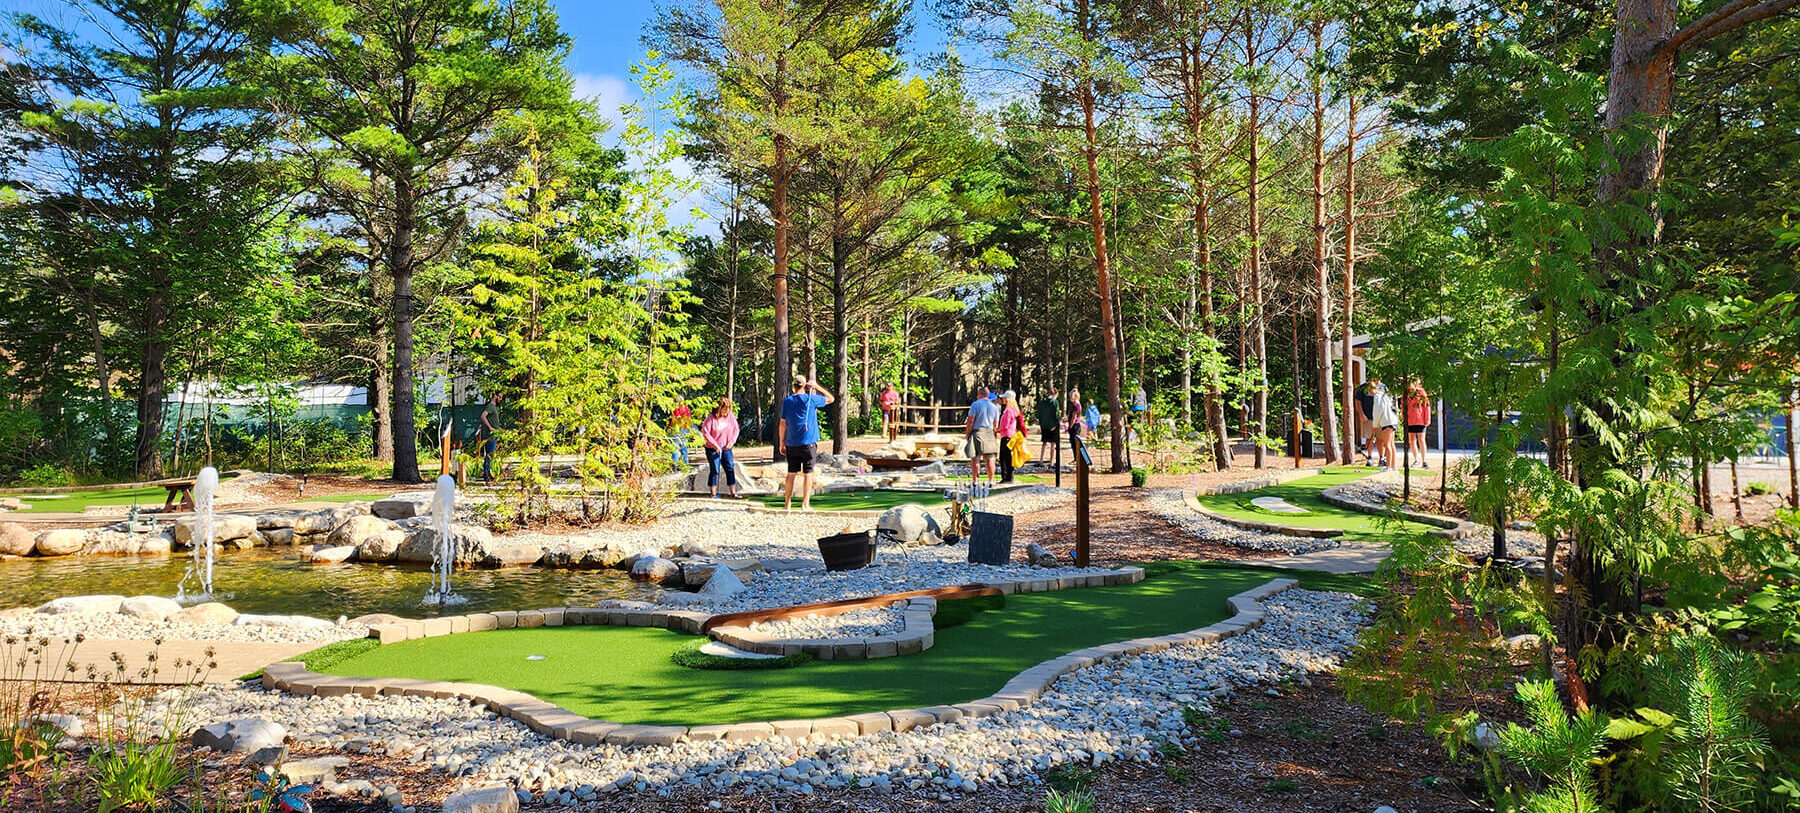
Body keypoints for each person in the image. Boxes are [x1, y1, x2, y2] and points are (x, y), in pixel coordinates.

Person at [778, 378, 835, 510]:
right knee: (808, 473)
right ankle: (805, 504)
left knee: (791, 473)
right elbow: (831, 398)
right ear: (805, 386)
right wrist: (816, 386)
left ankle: (787, 504)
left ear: (793, 386)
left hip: (792, 442)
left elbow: (783, 423)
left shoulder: (788, 401)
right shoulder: (811, 399)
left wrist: (782, 441)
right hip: (808, 442)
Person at [701, 398, 741, 497]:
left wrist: (732, 441)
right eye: (725, 409)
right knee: (715, 469)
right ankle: (713, 493)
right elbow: (706, 433)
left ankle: (733, 492)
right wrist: (715, 445)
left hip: (726, 446)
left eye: (728, 409)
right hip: (712, 447)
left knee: (730, 467)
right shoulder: (710, 418)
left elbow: (736, 429)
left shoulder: (730, 416)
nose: (727, 411)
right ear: (719, 408)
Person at [965, 386, 1001, 485]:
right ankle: (990, 481)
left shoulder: (975, 404)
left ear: (980, 394)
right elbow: (995, 424)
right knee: (990, 458)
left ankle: (975, 481)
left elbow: (971, 420)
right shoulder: (994, 407)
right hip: (989, 432)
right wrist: (994, 436)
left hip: (977, 431)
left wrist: (967, 433)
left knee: (976, 457)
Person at [995, 391, 1028, 484]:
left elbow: (1005, 425)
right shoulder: (1014, 410)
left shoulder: (1009, 411)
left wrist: (997, 429)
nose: (1002, 399)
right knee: (1008, 457)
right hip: (1009, 435)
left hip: (1006, 436)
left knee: (1004, 458)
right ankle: (1009, 476)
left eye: (1004, 398)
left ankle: (1006, 477)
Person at [1370, 379, 1400, 472]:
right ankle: (1393, 466)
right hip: (1392, 421)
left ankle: (1388, 467)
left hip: (1386, 422)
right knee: (1391, 444)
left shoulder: (1377, 397)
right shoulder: (1385, 395)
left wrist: (1375, 425)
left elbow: (1377, 412)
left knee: (1387, 445)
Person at [1404, 382, 1432, 468]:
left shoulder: (1421, 392)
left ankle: (1424, 460)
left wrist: (1427, 419)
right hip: (1410, 420)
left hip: (1420, 420)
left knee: (1421, 440)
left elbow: (1426, 406)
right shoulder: (1405, 394)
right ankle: (1416, 460)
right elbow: (1403, 407)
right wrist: (1404, 418)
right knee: (1412, 440)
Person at [478, 392, 503, 484]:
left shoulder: (494, 408)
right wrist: (490, 427)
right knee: (489, 455)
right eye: (499, 397)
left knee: (491, 455)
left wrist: (500, 429)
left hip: (495, 434)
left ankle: (488, 473)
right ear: (495, 396)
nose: (500, 399)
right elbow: (483, 416)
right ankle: (486, 474)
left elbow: (494, 423)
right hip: (490, 435)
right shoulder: (490, 406)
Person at [1354, 381, 1377, 466]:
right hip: (1368, 417)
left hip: (1380, 417)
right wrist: (1361, 414)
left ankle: (1382, 457)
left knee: (1381, 439)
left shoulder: (1383, 387)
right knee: (1369, 437)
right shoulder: (1362, 388)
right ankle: (1370, 457)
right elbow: (1358, 402)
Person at [1035, 392, 1061, 463]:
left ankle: (1041, 459)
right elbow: (1056, 414)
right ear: (1055, 394)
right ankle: (1051, 461)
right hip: (1052, 425)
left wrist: (1041, 423)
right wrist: (1057, 423)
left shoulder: (1042, 402)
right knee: (1053, 444)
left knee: (1044, 443)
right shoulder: (1055, 402)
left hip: (1044, 425)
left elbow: (1038, 413)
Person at [669, 401, 694, 465]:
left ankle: (674, 465)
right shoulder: (686, 409)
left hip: (676, 429)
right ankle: (685, 464)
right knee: (683, 447)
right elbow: (689, 419)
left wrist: (669, 428)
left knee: (675, 448)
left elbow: (673, 419)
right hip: (685, 429)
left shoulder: (675, 408)